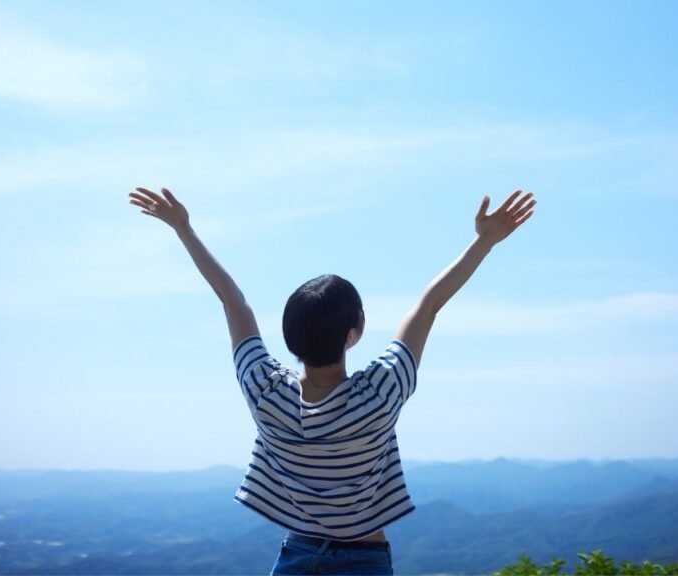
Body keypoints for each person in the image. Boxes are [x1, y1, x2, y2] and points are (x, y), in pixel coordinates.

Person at [128, 186, 536, 575]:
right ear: (352, 335)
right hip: (365, 560)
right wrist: (484, 242)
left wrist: (183, 228)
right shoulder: (380, 394)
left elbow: (233, 300)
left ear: (289, 337)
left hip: (296, 557)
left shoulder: (265, 392)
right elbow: (428, 306)